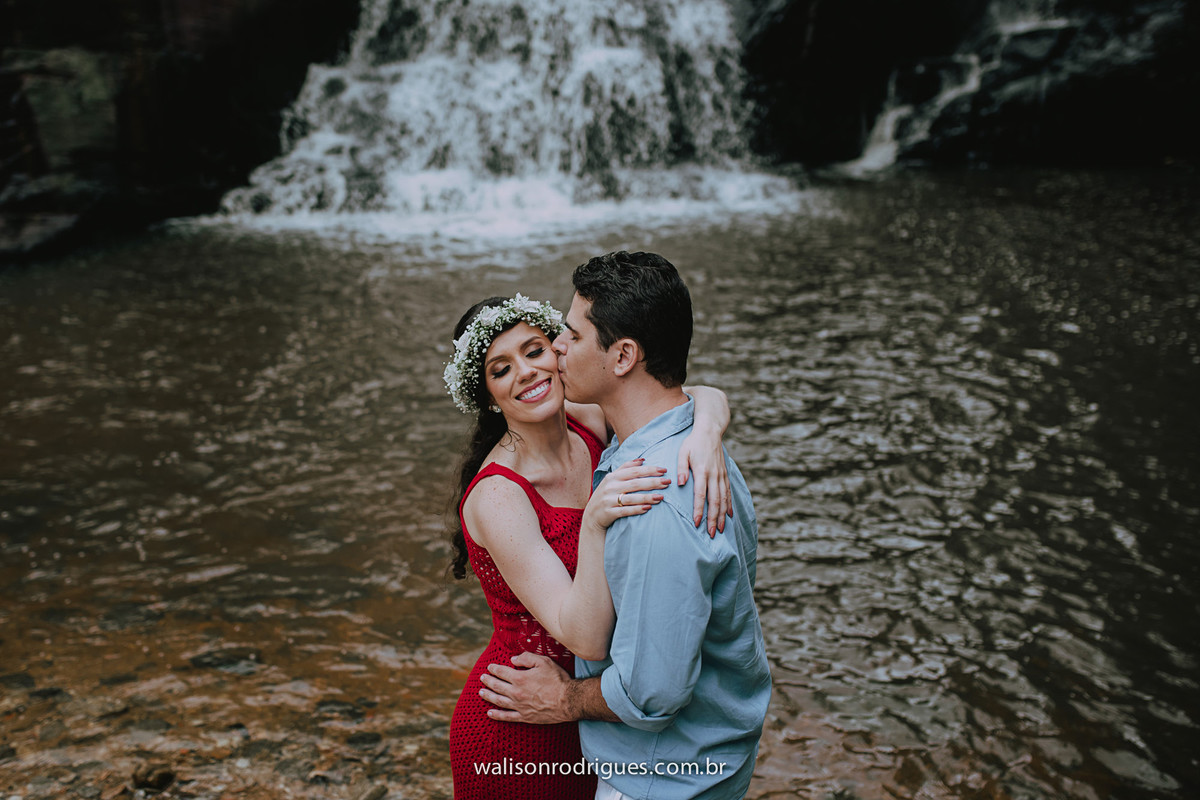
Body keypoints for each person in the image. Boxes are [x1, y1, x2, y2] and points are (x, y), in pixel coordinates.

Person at [477, 252, 772, 800]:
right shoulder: (691, 449)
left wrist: (564, 700)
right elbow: (699, 395)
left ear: (623, 357)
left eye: (568, 336)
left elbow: (650, 694)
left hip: (659, 777)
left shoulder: (652, 499)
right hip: (703, 760)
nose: (556, 350)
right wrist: (708, 424)